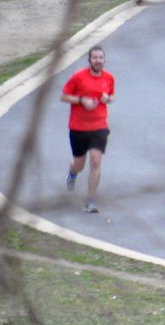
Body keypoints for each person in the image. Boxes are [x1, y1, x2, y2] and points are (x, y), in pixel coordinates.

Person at [61, 45, 115, 214]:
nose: (98, 61)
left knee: (96, 160)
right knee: (80, 163)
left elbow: (111, 96)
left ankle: (90, 200)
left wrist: (108, 99)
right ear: (89, 60)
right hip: (78, 127)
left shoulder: (109, 78)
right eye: (95, 58)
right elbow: (64, 96)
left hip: (99, 125)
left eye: (100, 58)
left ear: (104, 60)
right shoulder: (78, 77)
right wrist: (81, 100)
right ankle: (72, 172)